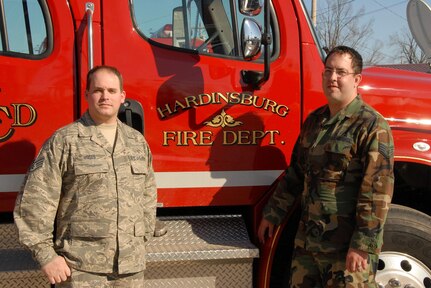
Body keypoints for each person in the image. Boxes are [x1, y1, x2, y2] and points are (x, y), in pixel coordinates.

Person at [258, 46, 394, 287]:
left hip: (345, 251)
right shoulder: (314, 121)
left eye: (341, 72)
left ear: (356, 79)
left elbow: (375, 193)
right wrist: (272, 213)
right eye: (328, 70)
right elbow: (296, 174)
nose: (332, 77)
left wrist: (362, 246)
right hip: (307, 246)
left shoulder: (372, 126)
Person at [14, 65, 157, 287]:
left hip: (131, 267)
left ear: (122, 96)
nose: (105, 96)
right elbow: (35, 200)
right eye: (98, 90)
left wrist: (141, 238)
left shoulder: (136, 142)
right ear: (87, 95)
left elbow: (148, 196)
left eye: (111, 91)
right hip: (80, 267)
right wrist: (46, 256)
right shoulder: (65, 140)